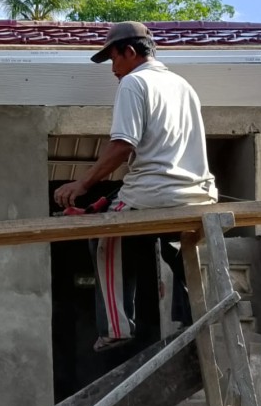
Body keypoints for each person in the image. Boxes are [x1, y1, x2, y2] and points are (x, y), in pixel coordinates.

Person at [53, 22, 218, 352]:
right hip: (198, 193)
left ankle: (115, 327)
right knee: (176, 247)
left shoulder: (133, 83)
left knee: (105, 236)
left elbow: (122, 146)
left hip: (153, 192)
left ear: (130, 52)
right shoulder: (183, 86)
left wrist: (83, 184)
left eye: (114, 59)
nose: (114, 70)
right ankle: (194, 316)